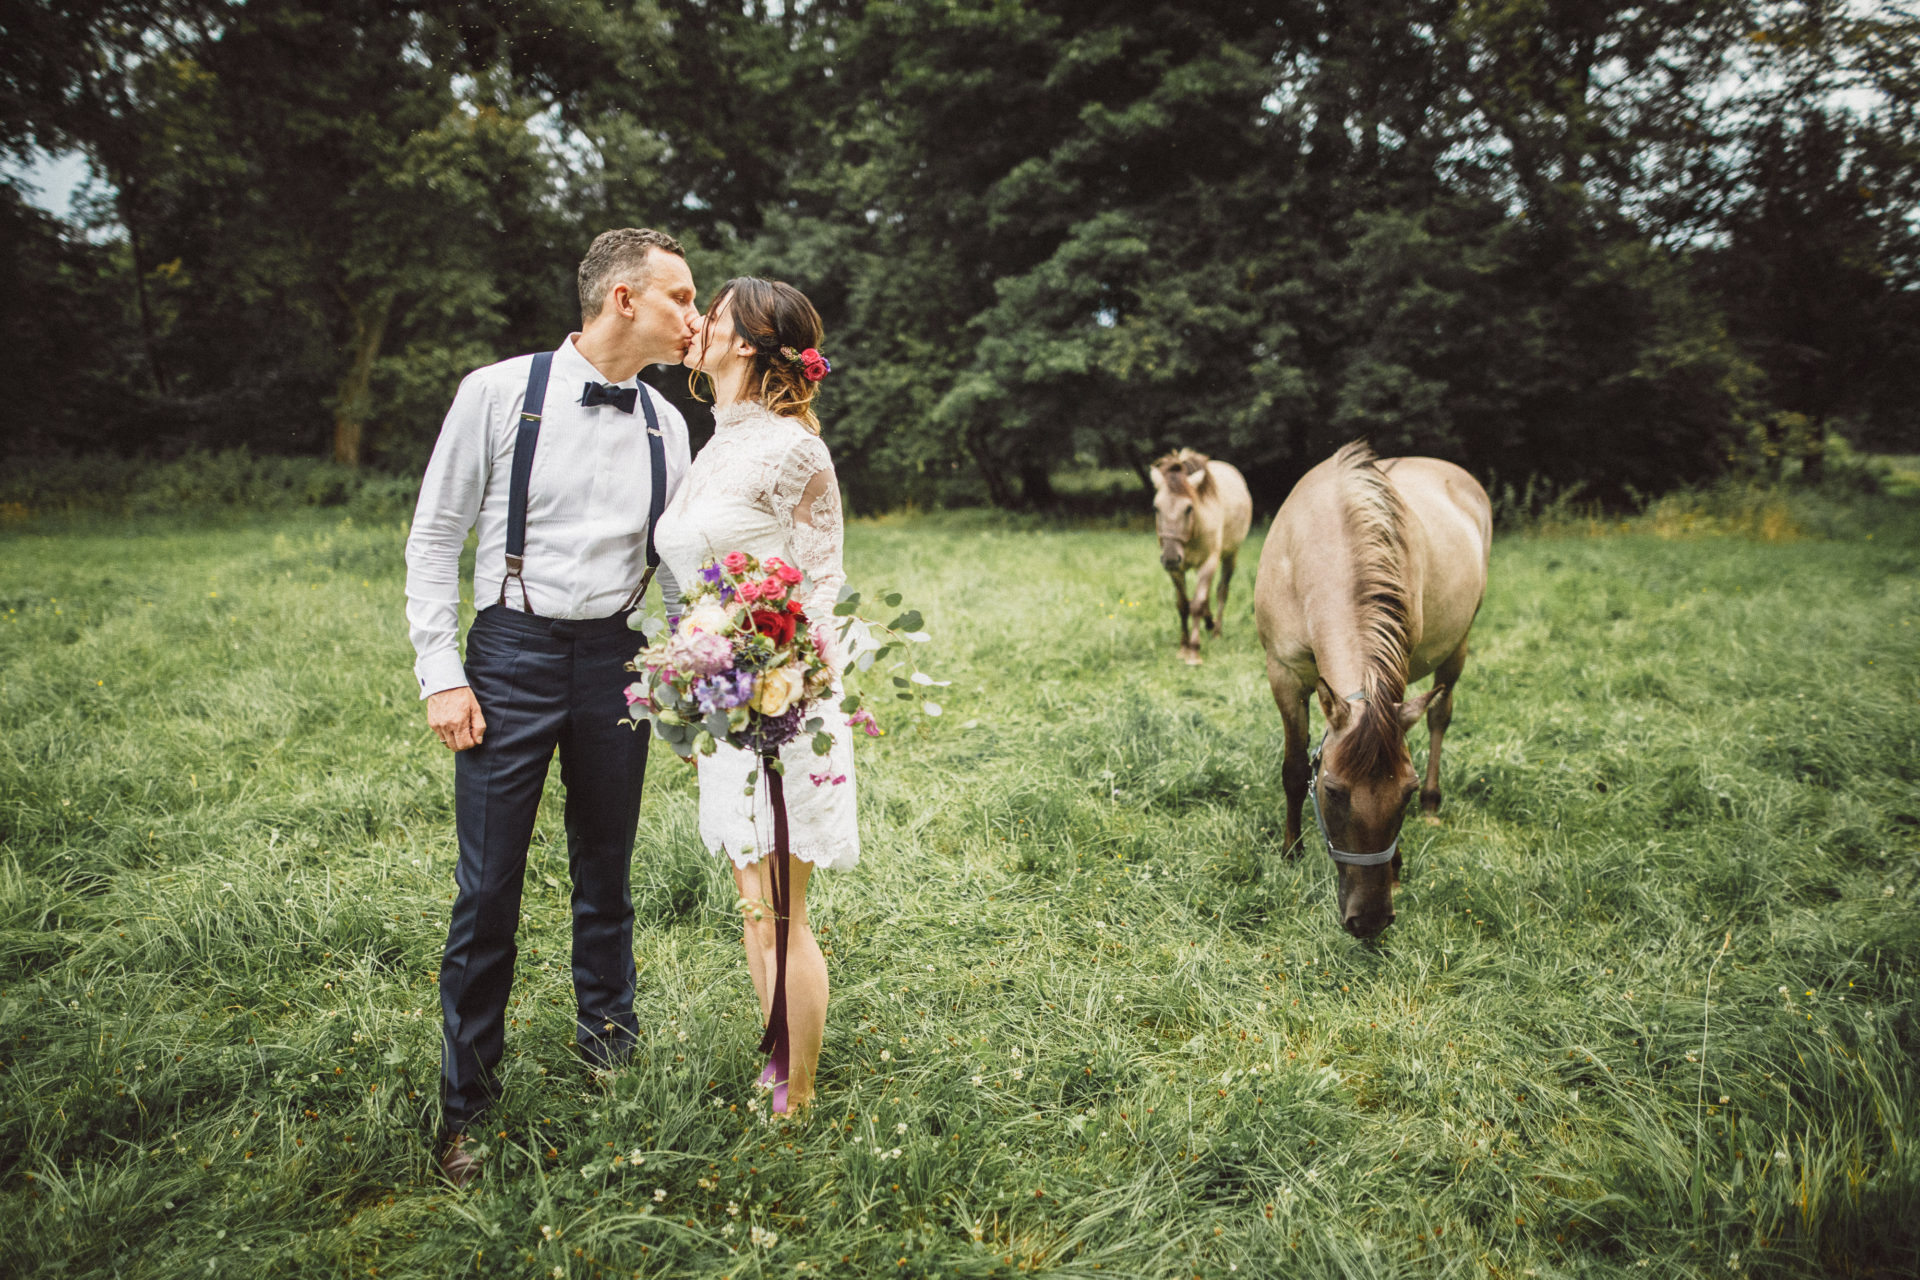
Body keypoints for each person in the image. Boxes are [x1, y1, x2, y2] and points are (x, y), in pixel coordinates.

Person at [404, 228, 699, 1186]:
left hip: (618, 661)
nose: (696, 320)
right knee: (488, 889)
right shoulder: (495, 393)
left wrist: (689, 684)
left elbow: (681, 576)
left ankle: (609, 1057)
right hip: (511, 655)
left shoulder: (670, 423)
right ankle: (466, 1111)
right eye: (682, 300)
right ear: (623, 299)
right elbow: (433, 537)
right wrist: (442, 672)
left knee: (606, 872)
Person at [653, 277, 856, 1113]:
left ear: (744, 343)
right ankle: (775, 1068)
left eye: (713, 314)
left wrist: (784, 686)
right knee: (750, 908)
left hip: (781, 700)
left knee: (782, 910)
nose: (696, 324)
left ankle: (795, 1098)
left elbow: (821, 584)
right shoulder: (713, 444)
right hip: (721, 699)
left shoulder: (793, 449)